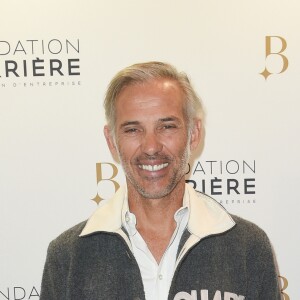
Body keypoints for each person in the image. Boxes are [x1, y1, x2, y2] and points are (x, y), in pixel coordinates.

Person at [40, 62, 281, 300]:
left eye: (166, 126)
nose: (151, 147)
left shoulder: (248, 248)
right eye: (133, 130)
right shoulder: (68, 257)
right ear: (111, 141)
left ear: (194, 133)